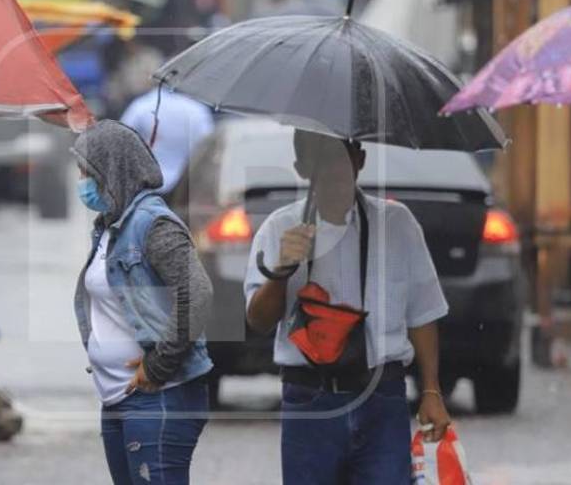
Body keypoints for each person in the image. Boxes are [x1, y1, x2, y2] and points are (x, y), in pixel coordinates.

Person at [244, 130, 451, 485]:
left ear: (360, 160)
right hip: (309, 401)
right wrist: (281, 270)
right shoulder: (279, 228)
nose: (333, 170)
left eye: (341, 159)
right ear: (302, 167)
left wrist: (431, 390)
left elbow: (423, 313)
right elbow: (258, 320)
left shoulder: (397, 224)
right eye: (321, 160)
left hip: (383, 398)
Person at [71, 119, 213, 485]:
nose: (81, 182)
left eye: (87, 172)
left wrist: (158, 364)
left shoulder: (153, 224)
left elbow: (197, 294)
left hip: (159, 397)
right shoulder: (108, 227)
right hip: (118, 397)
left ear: (111, 171)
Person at [120, 87, 214, 195]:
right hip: (182, 186)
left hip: (144, 183)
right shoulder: (197, 111)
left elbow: (120, 140)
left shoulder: (143, 104)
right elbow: (207, 149)